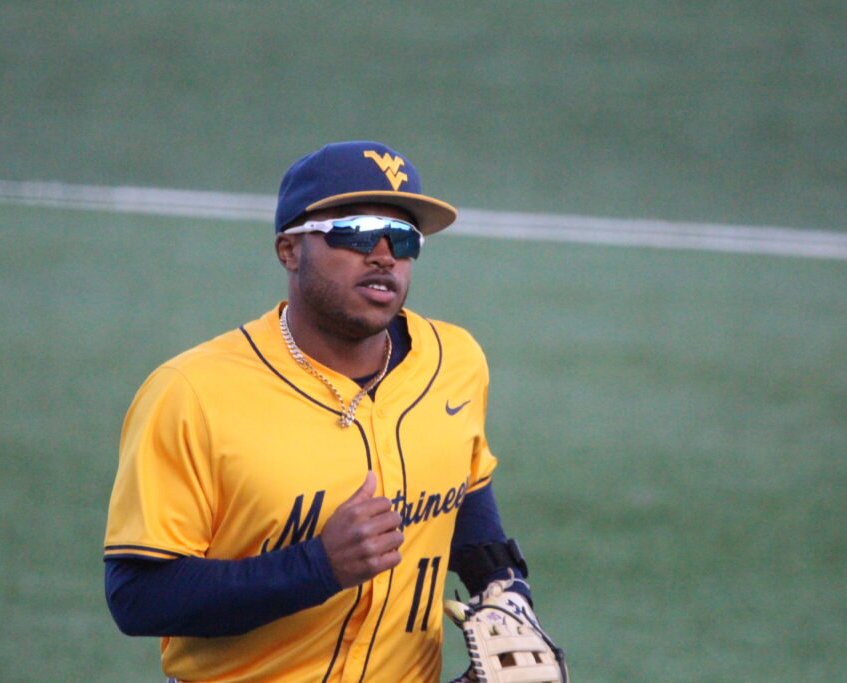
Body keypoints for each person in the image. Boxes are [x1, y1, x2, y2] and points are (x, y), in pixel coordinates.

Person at [103, 141, 560, 682]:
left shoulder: (455, 362)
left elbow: (465, 488)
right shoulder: (193, 393)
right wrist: (318, 566)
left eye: (404, 238)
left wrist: (504, 585)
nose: (384, 254)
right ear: (289, 250)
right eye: (357, 232)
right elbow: (137, 597)